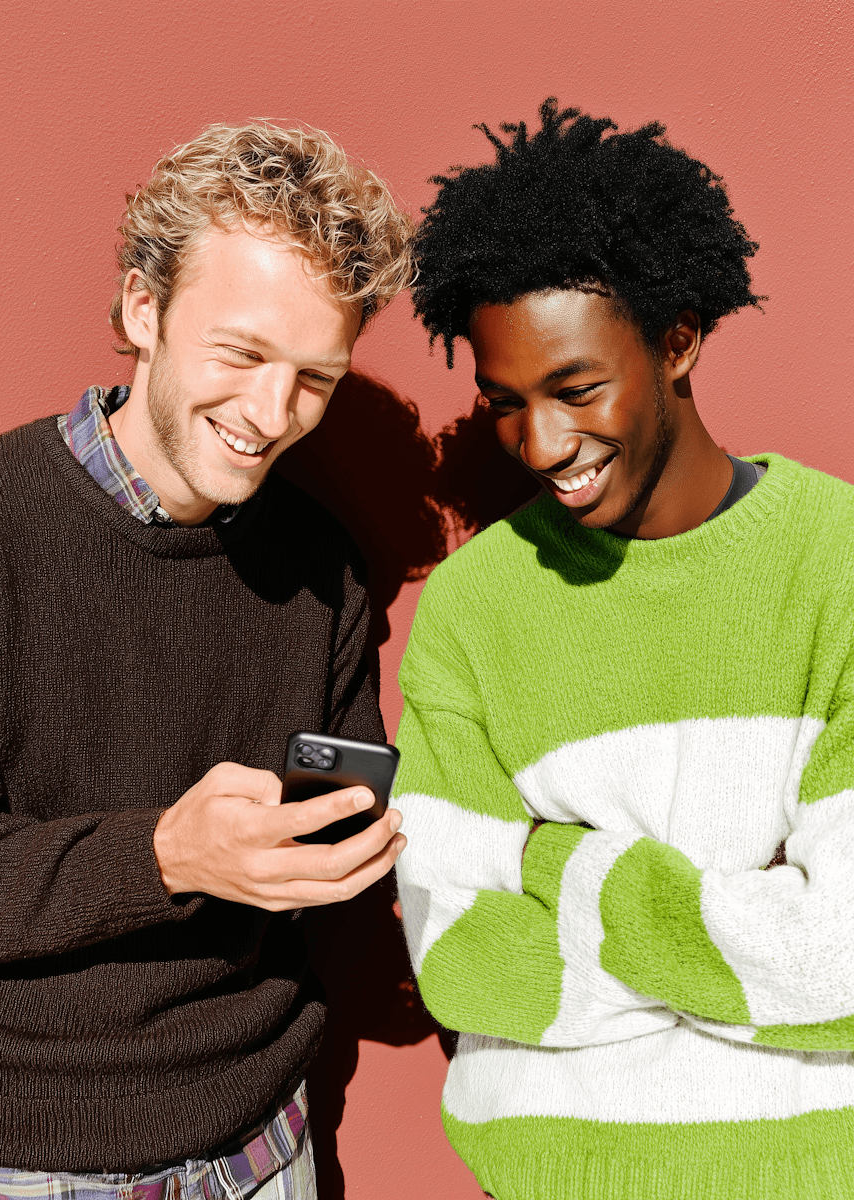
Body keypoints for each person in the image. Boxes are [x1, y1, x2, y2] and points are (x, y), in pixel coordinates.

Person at [392, 98, 854, 1200]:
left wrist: (551, 862)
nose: (542, 444)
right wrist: (740, 926)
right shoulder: (471, 610)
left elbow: (838, 960)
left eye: (576, 389)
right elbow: (459, 958)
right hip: (549, 1176)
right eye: (505, 403)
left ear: (678, 340)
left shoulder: (836, 565)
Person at [0, 121, 412, 1197]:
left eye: (314, 377)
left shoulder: (322, 563)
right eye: (241, 355)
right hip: (22, 1161)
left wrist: (343, 852)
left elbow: (331, 821)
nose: (270, 414)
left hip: (264, 1148)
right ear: (142, 311)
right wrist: (164, 854)